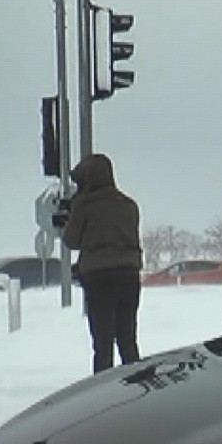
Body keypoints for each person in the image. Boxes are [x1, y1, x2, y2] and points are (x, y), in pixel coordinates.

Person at [54, 153, 144, 373]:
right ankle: (136, 386)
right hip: (129, 276)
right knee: (127, 340)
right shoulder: (129, 204)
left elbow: (72, 240)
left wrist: (69, 217)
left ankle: (103, 393)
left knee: (102, 345)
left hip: (99, 278)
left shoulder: (85, 205)